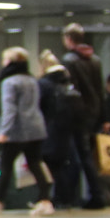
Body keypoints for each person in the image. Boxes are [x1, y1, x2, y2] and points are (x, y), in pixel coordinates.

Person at [0, 46, 52, 215]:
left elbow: (9, 109)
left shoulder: (9, 82)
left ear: (9, 61)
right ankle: (45, 199)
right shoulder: (32, 80)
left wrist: (4, 131)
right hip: (36, 128)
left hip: (17, 130)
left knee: (5, 164)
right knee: (35, 163)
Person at [59, 22, 107, 209]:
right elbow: (99, 89)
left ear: (69, 39)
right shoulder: (95, 60)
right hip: (94, 113)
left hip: (78, 114)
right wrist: (105, 116)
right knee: (85, 153)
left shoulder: (69, 60)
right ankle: (93, 194)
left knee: (79, 155)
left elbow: (71, 90)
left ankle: (87, 195)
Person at [37, 50, 83, 208]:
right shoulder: (66, 82)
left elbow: (39, 107)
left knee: (51, 164)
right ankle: (67, 197)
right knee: (66, 163)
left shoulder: (43, 84)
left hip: (50, 129)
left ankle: (51, 198)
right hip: (68, 129)